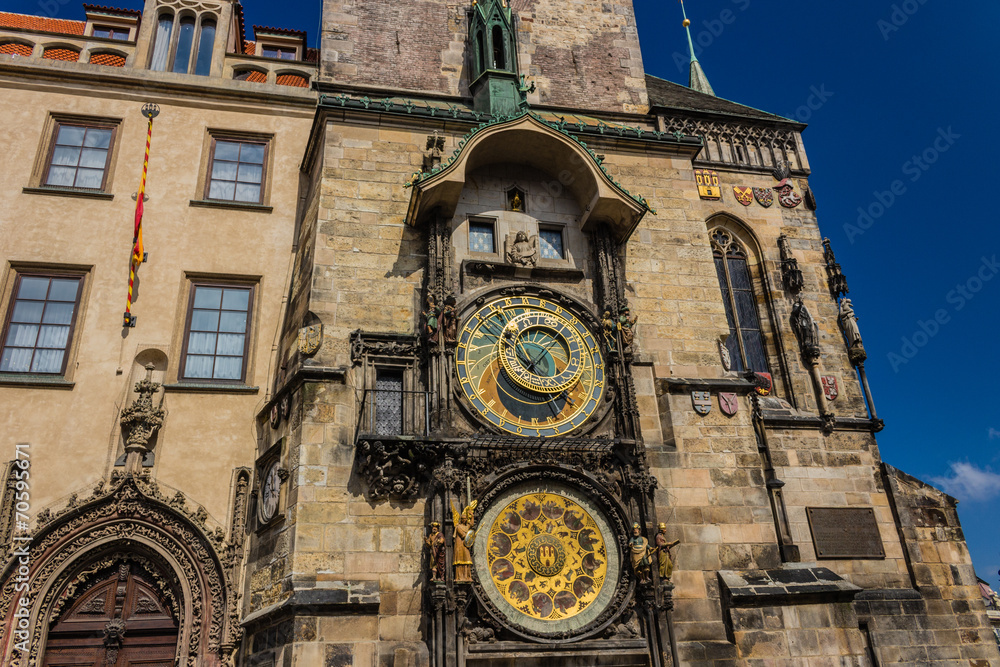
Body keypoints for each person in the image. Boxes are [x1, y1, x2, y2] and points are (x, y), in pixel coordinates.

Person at [451, 500, 477, 582]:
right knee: (459, 561)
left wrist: (471, 515)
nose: (464, 520)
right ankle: (459, 577)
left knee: (467, 559)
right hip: (460, 545)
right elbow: (463, 535)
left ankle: (468, 576)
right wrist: (471, 536)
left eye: (465, 519)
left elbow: (472, 524)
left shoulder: (467, 526)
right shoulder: (458, 527)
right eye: (463, 519)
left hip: (465, 545)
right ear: (461, 519)